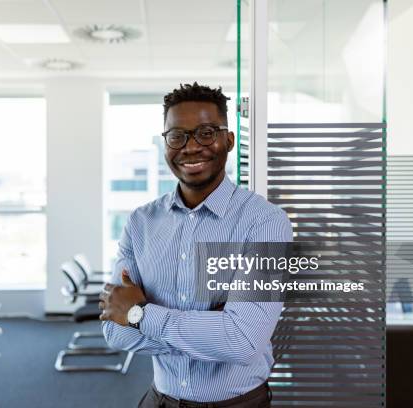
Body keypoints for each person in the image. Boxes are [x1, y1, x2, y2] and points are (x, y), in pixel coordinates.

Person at [99, 83, 292, 408]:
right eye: (177, 136)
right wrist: (211, 331)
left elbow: (244, 341)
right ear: (165, 144)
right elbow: (115, 332)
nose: (190, 147)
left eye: (205, 133)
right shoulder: (140, 223)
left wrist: (138, 313)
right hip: (159, 399)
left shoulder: (266, 223)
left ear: (229, 140)